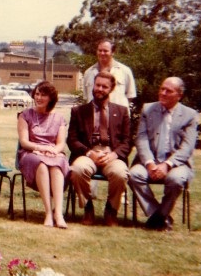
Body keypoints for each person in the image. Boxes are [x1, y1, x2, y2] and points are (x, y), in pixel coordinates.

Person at [129, 77, 197, 231]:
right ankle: (159, 215)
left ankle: (160, 216)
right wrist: (150, 163)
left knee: (176, 179)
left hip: (176, 164)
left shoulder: (190, 115)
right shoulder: (148, 109)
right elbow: (141, 139)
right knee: (133, 174)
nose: (163, 93)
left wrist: (167, 165)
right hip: (149, 161)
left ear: (179, 95)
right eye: (162, 89)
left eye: (169, 91)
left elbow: (187, 147)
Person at [67, 72, 131, 226]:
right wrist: (90, 153)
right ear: (93, 86)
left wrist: (114, 155)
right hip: (88, 154)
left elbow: (127, 141)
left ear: (111, 89)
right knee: (77, 169)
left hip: (111, 155)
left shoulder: (122, 112)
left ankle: (111, 209)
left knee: (120, 173)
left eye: (104, 86)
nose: (100, 89)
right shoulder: (79, 111)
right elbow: (72, 140)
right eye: (97, 85)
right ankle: (88, 207)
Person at [82, 38, 136, 201]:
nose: (102, 53)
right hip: (95, 120)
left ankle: (120, 193)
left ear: (113, 52)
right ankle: (90, 193)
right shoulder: (89, 73)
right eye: (100, 50)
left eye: (106, 50)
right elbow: (87, 98)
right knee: (92, 151)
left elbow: (130, 96)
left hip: (117, 121)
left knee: (118, 155)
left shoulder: (124, 71)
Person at [17, 80, 69, 229]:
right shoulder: (25, 115)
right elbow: (24, 142)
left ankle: (58, 213)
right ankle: (48, 213)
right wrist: (40, 148)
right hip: (31, 152)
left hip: (53, 153)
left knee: (57, 166)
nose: (38, 98)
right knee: (41, 164)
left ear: (51, 98)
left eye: (43, 95)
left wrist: (54, 151)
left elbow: (60, 143)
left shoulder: (59, 118)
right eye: (37, 94)